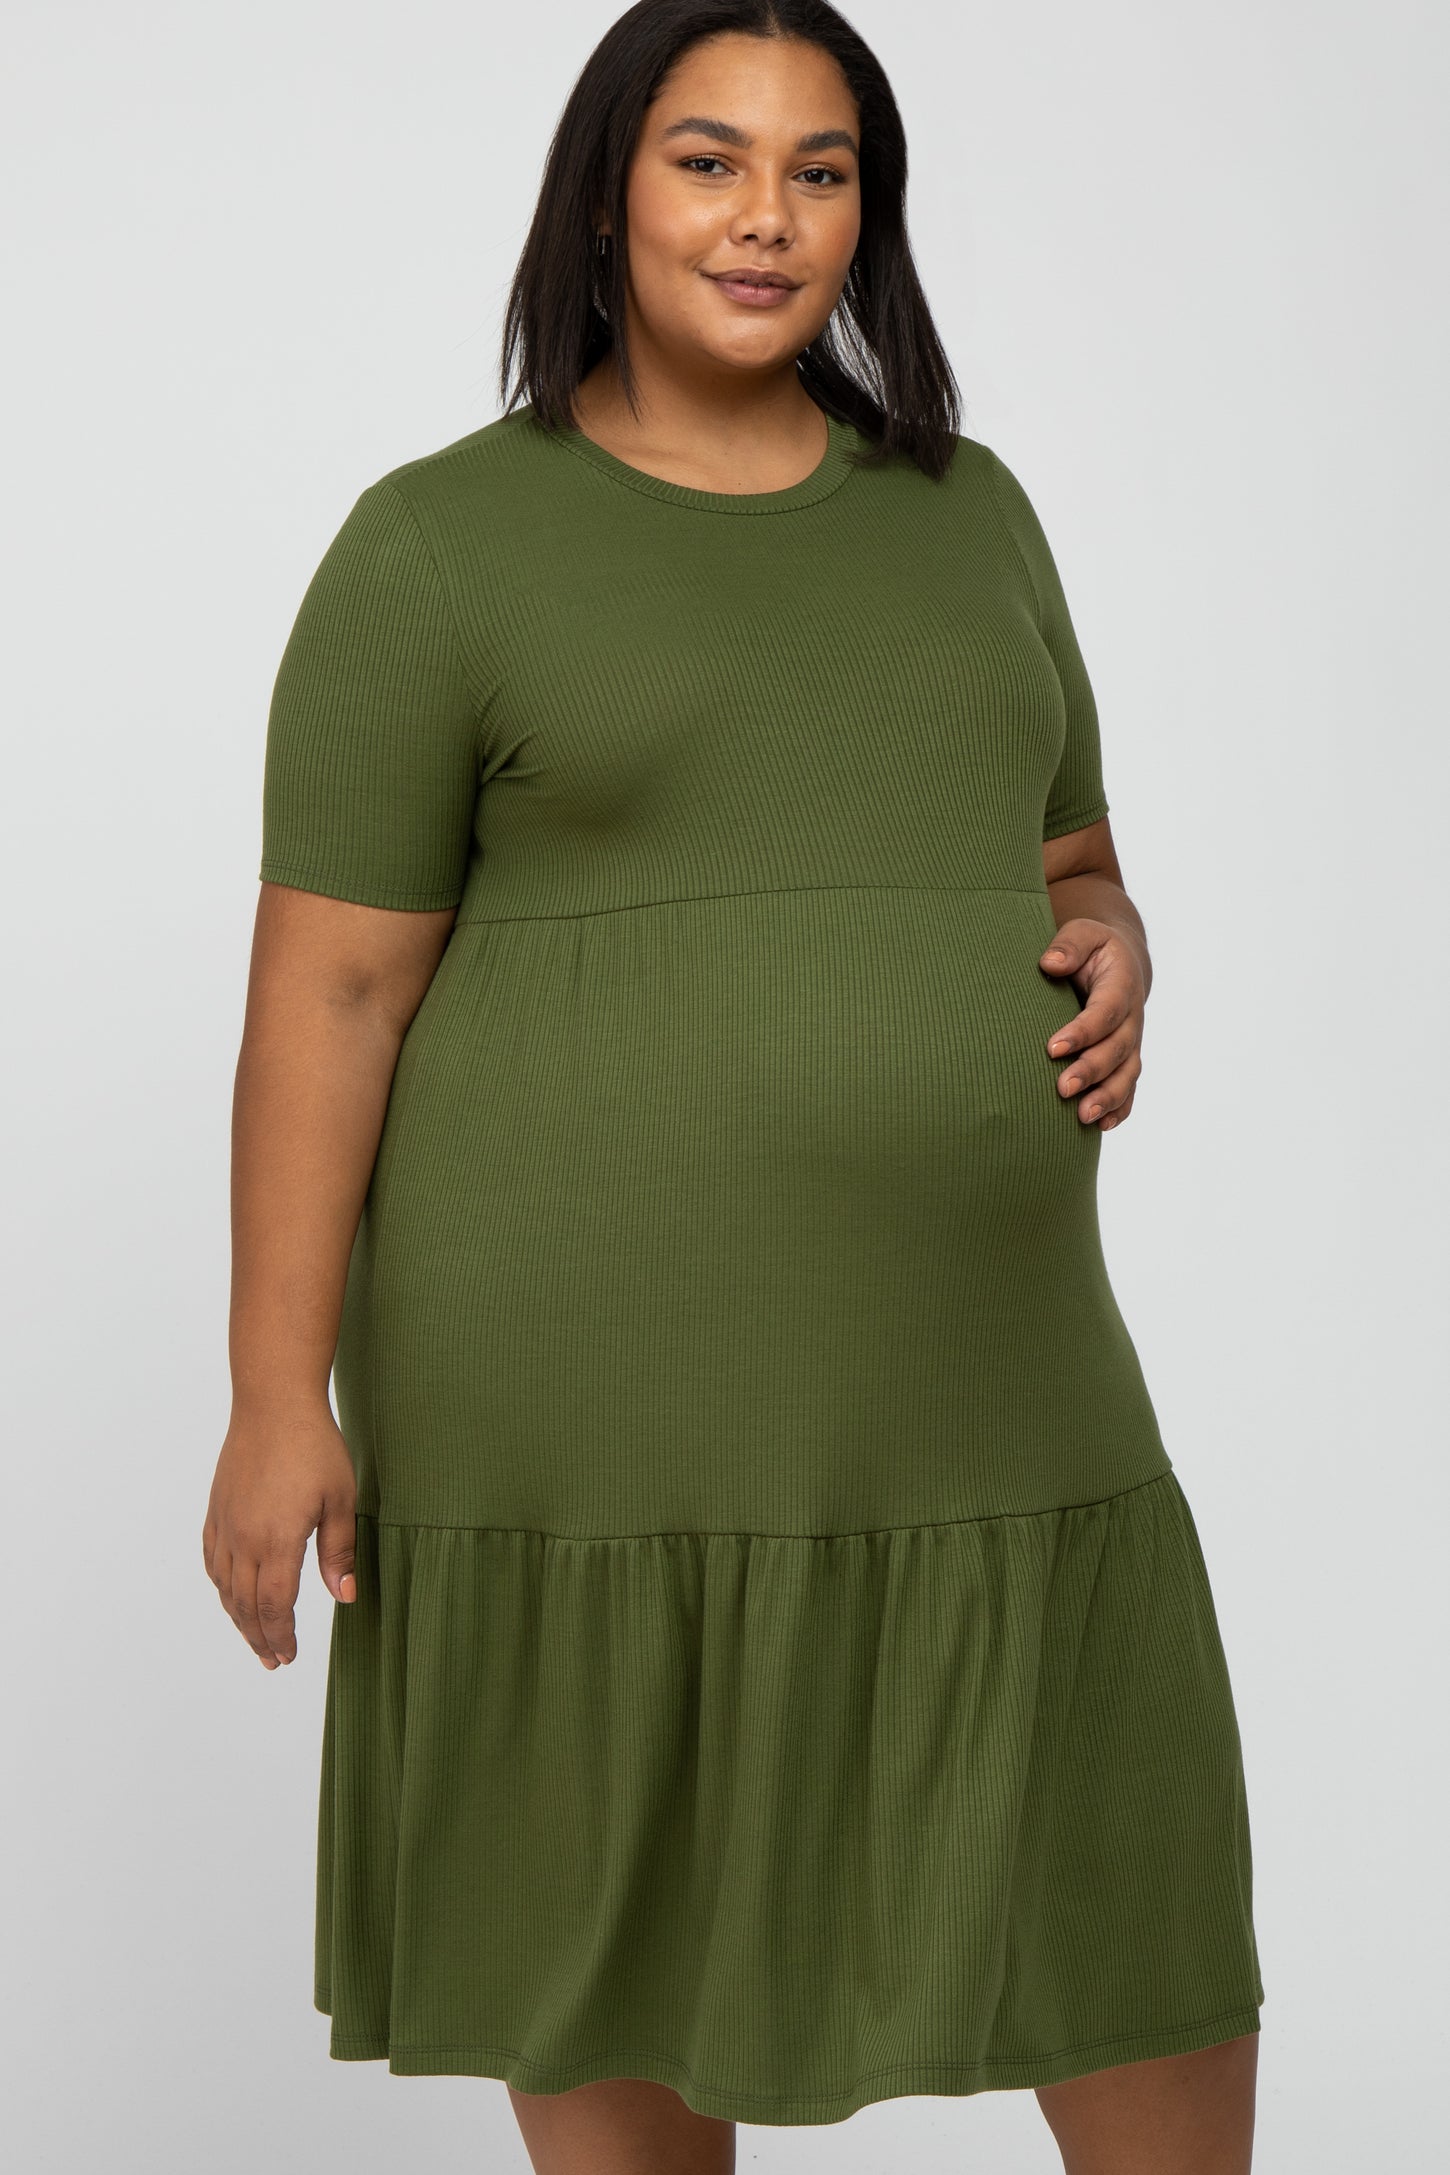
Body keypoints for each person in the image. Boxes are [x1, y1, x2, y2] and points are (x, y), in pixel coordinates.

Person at [202, 2, 1265, 2168]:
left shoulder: (970, 514)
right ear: (606, 194)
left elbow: (1067, 851)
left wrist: (1113, 932)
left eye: (818, 170)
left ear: (868, 214)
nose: (765, 217)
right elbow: (329, 995)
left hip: (985, 1381)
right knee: (614, 1952)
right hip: (579, 1415)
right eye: (708, 161)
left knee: (1131, 1920)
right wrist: (270, 1394)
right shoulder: (438, 546)